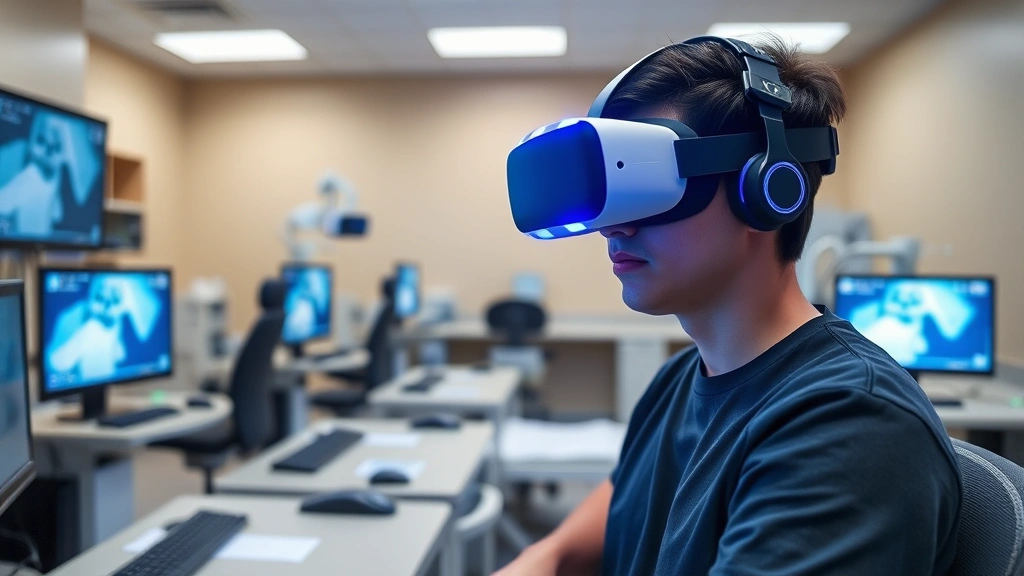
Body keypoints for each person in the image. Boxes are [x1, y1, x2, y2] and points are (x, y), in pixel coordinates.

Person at [495, 36, 961, 576]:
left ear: (764, 187)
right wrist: (543, 556)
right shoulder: (680, 380)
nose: (613, 226)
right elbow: (627, 499)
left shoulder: (848, 425)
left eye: (645, 187)